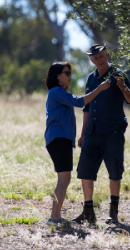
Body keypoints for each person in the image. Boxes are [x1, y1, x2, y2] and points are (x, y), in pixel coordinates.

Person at [72, 44, 130, 225]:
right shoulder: (91, 78)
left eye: (101, 56)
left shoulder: (119, 75)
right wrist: (83, 133)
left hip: (113, 131)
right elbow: (87, 108)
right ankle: (88, 212)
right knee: (85, 171)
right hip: (92, 131)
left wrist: (123, 87)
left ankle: (113, 212)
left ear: (107, 55)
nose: (98, 60)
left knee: (115, 172)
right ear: (91, 60)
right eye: (95, 58)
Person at [44, 61, 110, 226]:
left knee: (64, 179)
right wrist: (101, 88)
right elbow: (81, 102)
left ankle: (57, 216)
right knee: (63, 179)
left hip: (62, 140)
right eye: (66, 73)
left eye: (70, 73)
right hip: (58, 140)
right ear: (57, 75)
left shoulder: (60, 93)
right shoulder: (56, 91)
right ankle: (53, 217)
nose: (69, 76)